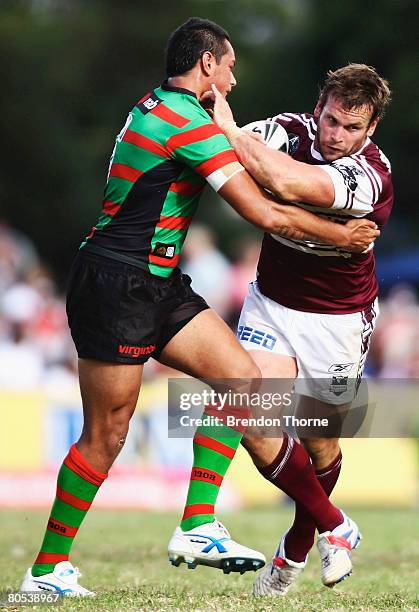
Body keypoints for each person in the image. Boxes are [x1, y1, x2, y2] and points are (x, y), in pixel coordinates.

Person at [20, 19, 378, 596]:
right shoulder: (185, 121)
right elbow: (263, 212)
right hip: (117, 281)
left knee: (241, 378)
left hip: (157, 280)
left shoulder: (167, 106)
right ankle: (47, 571)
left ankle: (199, 524)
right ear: (207, 65)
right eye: (230, 67)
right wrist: (342, 238)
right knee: (106, 435)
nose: (234, 81)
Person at [211, 63, 393, 595]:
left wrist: (232, 133)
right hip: (271, 303)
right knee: (246, 409)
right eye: (331, 120)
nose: (336, 136)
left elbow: (281, 179)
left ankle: (296, 544)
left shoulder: (371, 175)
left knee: (320, 445)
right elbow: (238, 157)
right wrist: (231, 133)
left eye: (351, 127)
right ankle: (336, 525)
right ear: (318, 110)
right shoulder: (292, 130)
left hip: (337, 321)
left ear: (371, 130)